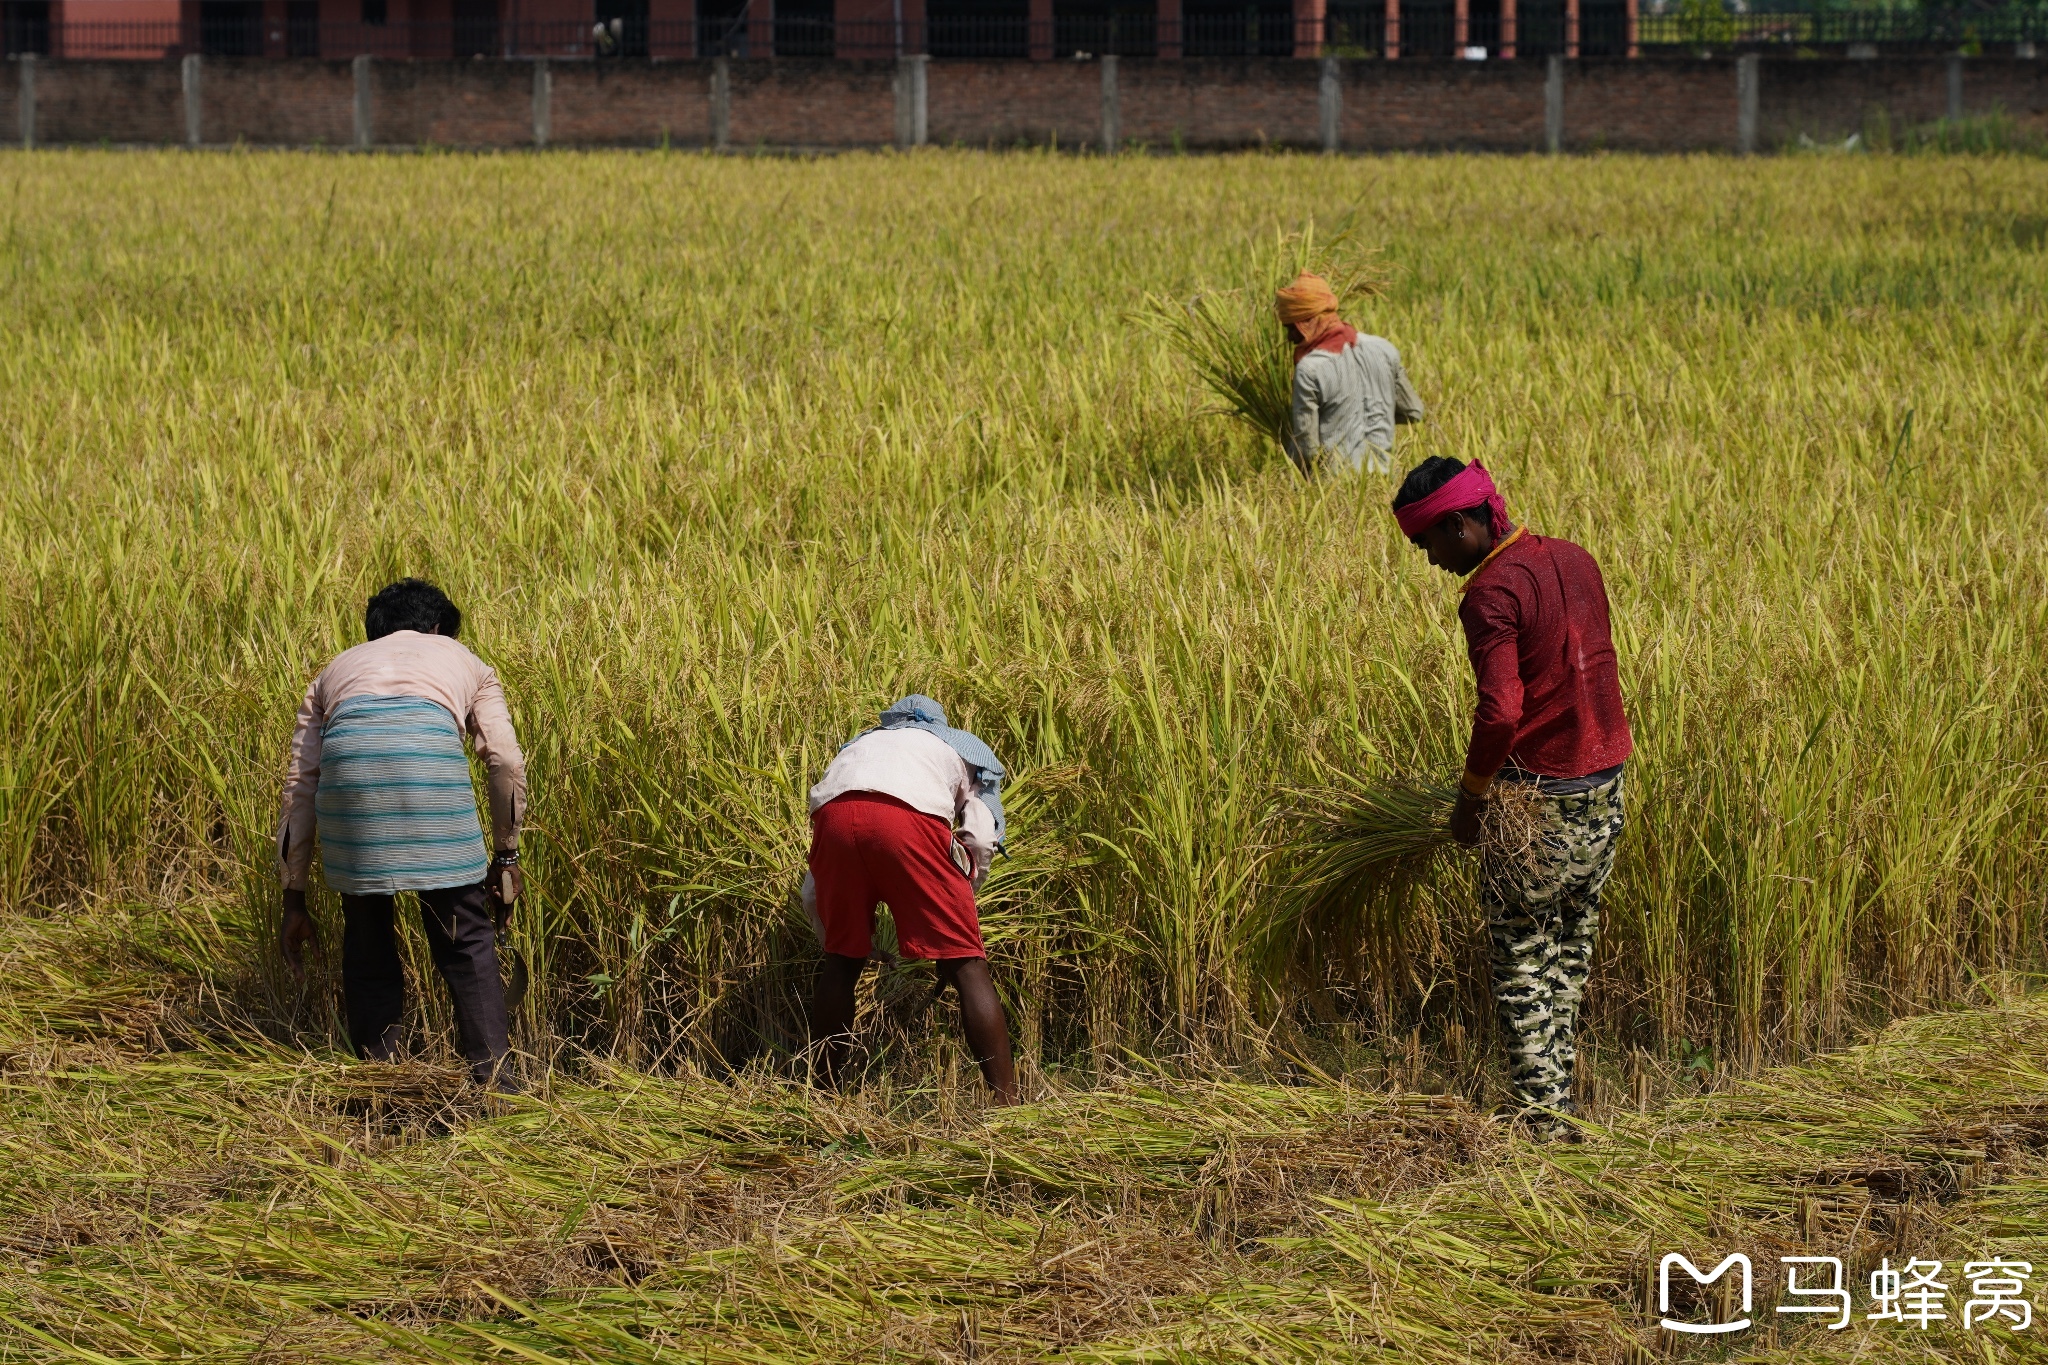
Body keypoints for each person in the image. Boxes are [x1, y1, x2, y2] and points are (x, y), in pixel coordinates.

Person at [1391, 457, 1632, 1138]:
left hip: (1540, 806)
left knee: (1524, 959)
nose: (1430, 560)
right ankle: (1560, 1101)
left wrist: (1470, 800)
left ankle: (1541, 1122)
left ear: (1460, 524)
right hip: (1605, 791)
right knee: (1572, 948)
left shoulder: (1491, 593)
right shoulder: (1575, 558)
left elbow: (1500, 711)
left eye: (1427, 543)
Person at [276, 578, 527, 1089]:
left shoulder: (333, 671)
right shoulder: (468, 663)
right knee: (467, 942)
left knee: (367, 946)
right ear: (438, 629)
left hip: (352, 807)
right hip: (434, 799)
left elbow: (300, 783)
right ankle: (497, 1086)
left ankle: (382, 1088)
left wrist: (293, 896)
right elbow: (503, 759)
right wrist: (506, 856)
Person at [802, 694, 1015, 1104]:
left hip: (832, 819)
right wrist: (957, 906)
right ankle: (1008, 1107)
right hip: (907, 820)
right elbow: (981, 837)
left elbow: (814, 882)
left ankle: (823, 1098)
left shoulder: (861, 746)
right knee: (967, 966)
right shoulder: (957, 748)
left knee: (841, 963)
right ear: (940, 725)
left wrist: (834, 933)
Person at [1275, 271, 1425, 476]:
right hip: (1387, 480)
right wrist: (1374, 414)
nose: (1290, 338)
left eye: (1291, 328)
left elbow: (1307, 450)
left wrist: (1288, 475)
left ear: (1307, 322)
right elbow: (1413, 411)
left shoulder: (1310, 369)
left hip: (1335, 488)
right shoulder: (1384, 349)